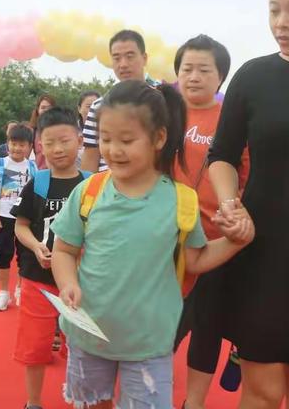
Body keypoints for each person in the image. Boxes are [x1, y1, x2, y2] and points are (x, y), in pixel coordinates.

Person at [50, 81, 255, 409]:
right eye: (105, 139)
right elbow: (64, 250)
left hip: (150, 344)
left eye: (127, 140)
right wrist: (68, 283)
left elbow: (196, 260)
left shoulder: (180, 200)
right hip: (88, 336)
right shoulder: (89, 192)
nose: (113, 150)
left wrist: (235, 242)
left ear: (159, 138)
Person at [208, 0, 289, 409]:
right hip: (264, 254)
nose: (281, 23)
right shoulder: (254, 77)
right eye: (274, 9)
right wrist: (229, 202)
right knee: (262, 391)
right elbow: (221, 155)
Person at [172, 35, 249, 409]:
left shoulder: (232, 119)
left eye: (205, 70)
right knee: (163, 325)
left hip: (216, 242)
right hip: (165, 242)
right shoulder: (162, 115)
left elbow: (246, 172)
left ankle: (194, 403)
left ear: (221, 77)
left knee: (206, 329)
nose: (195, 76)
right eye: (187, 68)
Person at [11, 107, 86, 409]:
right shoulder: (38, 182)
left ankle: (78, 397)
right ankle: (33, 402)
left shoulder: (91, 184)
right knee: (35, 345)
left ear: (80, 140)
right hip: (37, 279)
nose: (57, 149)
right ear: (40, 145)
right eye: (49, 142)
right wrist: (36, 247)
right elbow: (21, 225)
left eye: (65, 141)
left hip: (80, 283)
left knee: (79, 346)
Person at [80, 29, 158, 173]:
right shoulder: (98, 106)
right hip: (109, 189)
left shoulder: (161, 102)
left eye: (130, 56)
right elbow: (91, 155)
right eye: (116, 58)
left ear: (144, 58)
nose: (123, 64)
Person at [0, 124, 36, 311]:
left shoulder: (33, 167)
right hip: (4, 215)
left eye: (22, 145)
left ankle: (20, 289)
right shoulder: (0, 164)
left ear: (30, 146)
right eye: (13, 143)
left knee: (24, 255)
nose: (17, 148)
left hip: (24, 218)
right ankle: (3, 292)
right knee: (4, 254)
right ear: (8, 144)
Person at [29, 95, 56, 169]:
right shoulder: (32, 131)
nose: (46, 110)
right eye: (43, 107)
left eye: (49, 108)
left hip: (59, 171)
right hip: (40, 172)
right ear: (38, 110)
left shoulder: (61, 129)